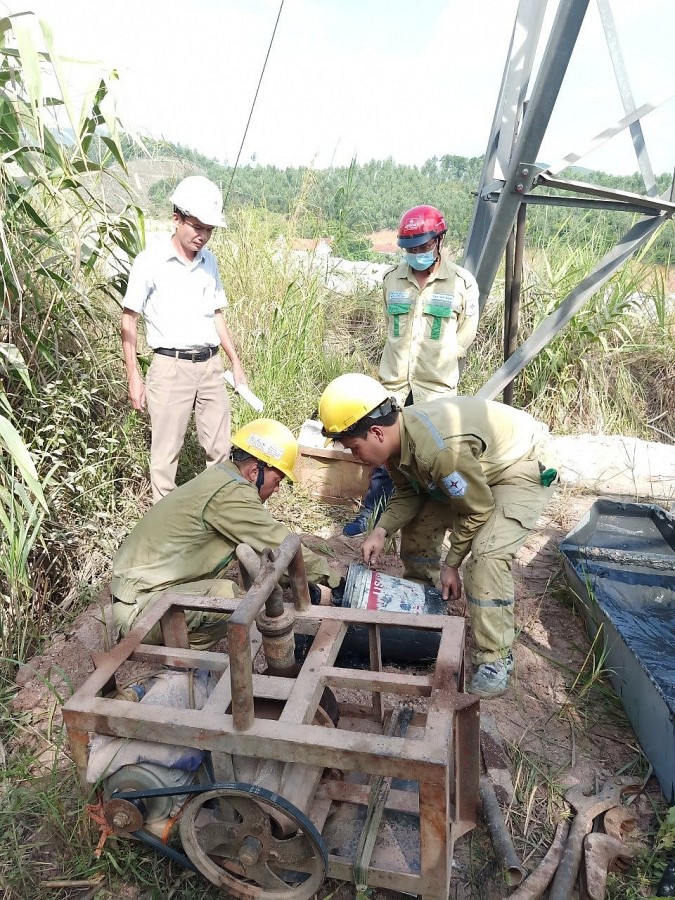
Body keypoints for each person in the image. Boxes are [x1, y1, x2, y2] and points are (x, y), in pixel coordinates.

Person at [319, 374, 558, 698]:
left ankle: (495, 658)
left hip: (519, 464)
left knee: (486, 556)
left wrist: (452, 563)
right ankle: (424, 604)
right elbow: (409, 493)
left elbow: (476, 508)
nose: (355, 457)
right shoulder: (397, 444)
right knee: (418, 525)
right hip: (473, 470)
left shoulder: (438, 452)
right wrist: (380, 530)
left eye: (355, 448)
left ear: (376, 432)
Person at [111, 419, 341, 650]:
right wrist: (336, 581)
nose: (277, 488)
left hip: (141, 594)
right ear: (254, 471)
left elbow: (261, 548)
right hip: (139, 610)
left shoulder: (222, 477)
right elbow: (279, 543)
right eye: (277, 480)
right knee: (226, 598)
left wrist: (290, 579)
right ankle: (185, 667)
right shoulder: (231, 495)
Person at [343, 205, 479, 536]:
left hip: (435, 390)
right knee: (382, 456)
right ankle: (373, 515)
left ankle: (431, 525)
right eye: (410, 249)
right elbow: (391, 325)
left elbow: (466, 332)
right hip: (394, 386)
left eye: (423, 247)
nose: (416, 254)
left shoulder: (461, 282)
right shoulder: (392, 280)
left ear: (439, 240)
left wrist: (443, 357)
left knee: (435, 460)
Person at [121, 175, 246, 502]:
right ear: (176, 219)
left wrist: (235, 361)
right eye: (197, 226)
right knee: (165, 456)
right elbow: (128, 319)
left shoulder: (210, 262)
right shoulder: (150, 261)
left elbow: (218, 314)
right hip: (170, 366)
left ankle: (211, 517)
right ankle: (164, 531)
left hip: (210, 366)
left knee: (219, 450)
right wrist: (133, 376)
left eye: (209, 229)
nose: (202, 236)